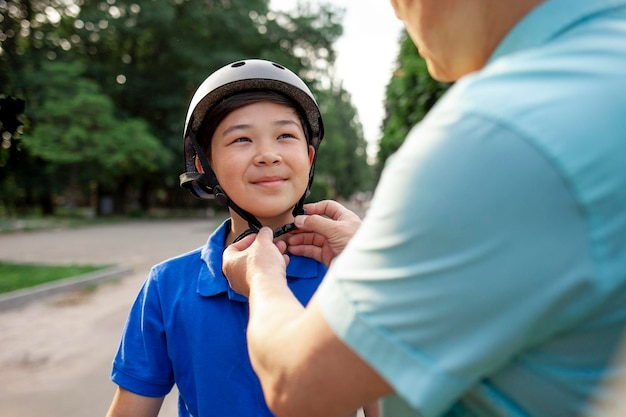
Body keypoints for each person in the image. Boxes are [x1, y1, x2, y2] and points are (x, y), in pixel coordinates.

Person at [222, 0, 626, 416]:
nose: (395, 10)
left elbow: (298, 386)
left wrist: (261, 276)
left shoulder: (494, 136)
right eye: (240, 139)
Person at [105, 59, 376, 417]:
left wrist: (370, 275)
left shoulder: (351, 275)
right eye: (241, 139)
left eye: (285, 135)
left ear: (309, 158)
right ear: (204, 165)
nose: (268, 155)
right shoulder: (167, 286)